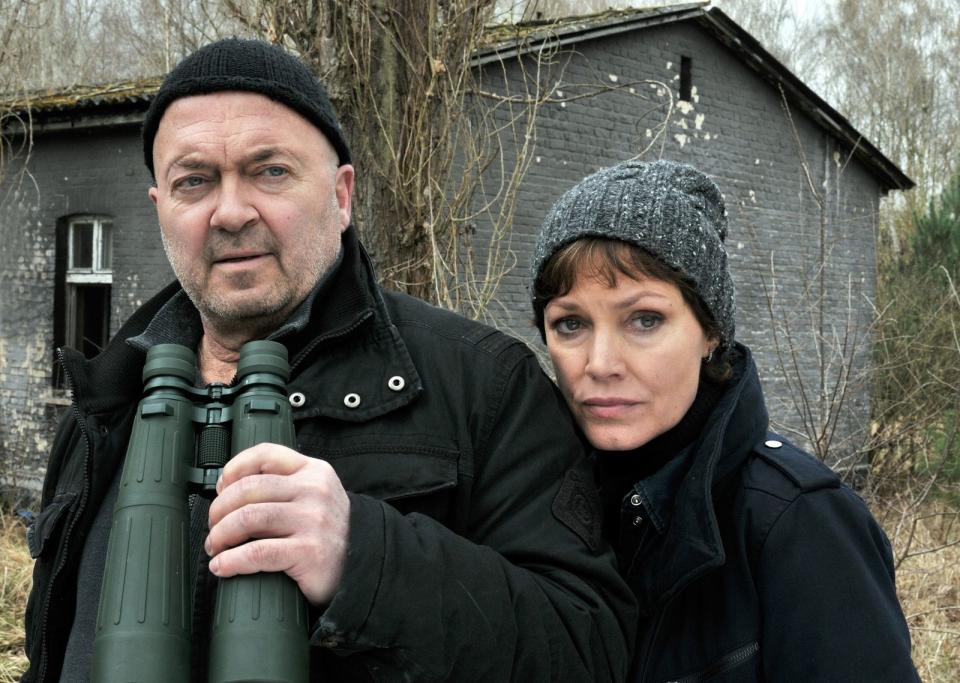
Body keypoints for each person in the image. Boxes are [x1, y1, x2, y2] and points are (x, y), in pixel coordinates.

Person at [22, 38, 636, 682]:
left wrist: (365, 558)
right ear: (161, 210)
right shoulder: (106, 402)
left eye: (271, 171)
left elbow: (588, 644)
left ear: (342, 195)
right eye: (194, 181)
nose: (230, 212)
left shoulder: (482, 386)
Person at [529, 159, 921, 682]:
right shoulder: (531, 500)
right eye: (570, 323)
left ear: (711, 333)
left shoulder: (799, 523)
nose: (600, 364)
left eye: (644, 320)